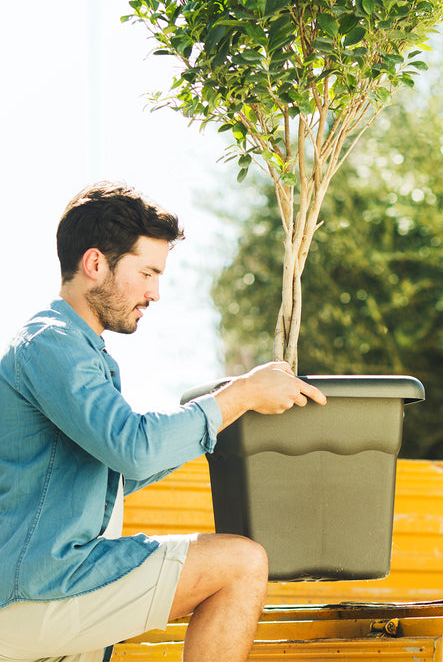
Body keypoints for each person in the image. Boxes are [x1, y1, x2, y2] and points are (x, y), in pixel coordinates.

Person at [0, 182, 326, 662]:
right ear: (95, 265)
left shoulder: (75, 351)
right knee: (241, 563)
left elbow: (123, 471)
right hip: (41, 589)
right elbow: (135, 446)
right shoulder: (53, 344)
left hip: (48, 590)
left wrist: (235, 407)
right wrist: (239, 395)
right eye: (147, 272)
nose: (155, 292)